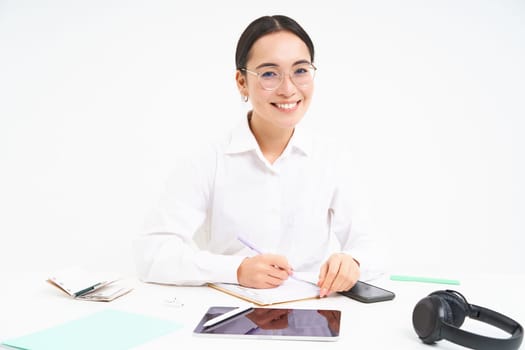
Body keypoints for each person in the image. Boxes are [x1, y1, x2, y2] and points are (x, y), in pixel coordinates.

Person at [133, 14, 375, 298]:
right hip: (230, 311)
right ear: (242, 82)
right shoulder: (207, 159)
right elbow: (152, 254)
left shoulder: (332, 158)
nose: (288, 89)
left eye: (300, 70)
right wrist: (236, 270)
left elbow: (372, 245)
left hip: (314, 312)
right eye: (269, 73)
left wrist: (353, 262)